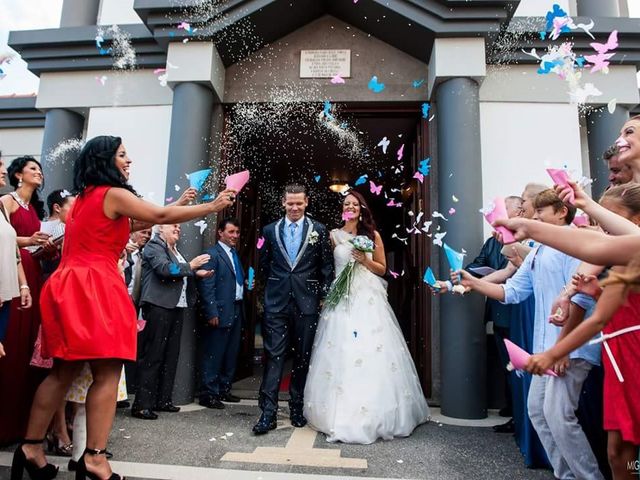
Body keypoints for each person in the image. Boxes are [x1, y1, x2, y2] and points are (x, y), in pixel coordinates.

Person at [11, 135, 235, 480]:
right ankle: (95, 459)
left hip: (68, 285)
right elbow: (158, 214)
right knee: (107, 372)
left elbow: (138, 222)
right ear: (105, 160)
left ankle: (31, 447)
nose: (128, 161)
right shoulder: (113, 193)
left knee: (62, 372)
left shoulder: (85, 199)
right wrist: (212, 207)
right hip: (94, 287)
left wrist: (177, 203)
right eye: (122, 155)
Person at [456, 189, 604, 480]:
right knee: (538, 412)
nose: (534, 218)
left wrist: (561, 348)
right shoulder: (537, 250)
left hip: (569, 349)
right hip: (544, 349)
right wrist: (474, 282)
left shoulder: (575, 245)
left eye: (540, 213)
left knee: (560, 418)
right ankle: (567, 475)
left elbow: (580, 300)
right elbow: (510, 292)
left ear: (562, 212)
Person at [304, 190, 429, 444]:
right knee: (340, 348)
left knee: (370, 348)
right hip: (341, 297)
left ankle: (373, 411)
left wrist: (363, 260)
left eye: (355, 204)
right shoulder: (333, 236)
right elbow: (327, 269)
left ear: (361, 209)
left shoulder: (372, 236)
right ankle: (336, 410)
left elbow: (382, 269)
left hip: (366, 296)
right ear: (343, 209)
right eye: (346, 203)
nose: (350, 206)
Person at [254, 184, 334, 435]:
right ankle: (267, 413)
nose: (295, 207)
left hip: (307, 303)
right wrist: (267, 295)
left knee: (302, 357)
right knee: (274, 356)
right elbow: (263, 266)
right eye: (290, 203)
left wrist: (321, 296)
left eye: (299, 203)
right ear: (283, 203)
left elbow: (326, 268)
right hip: (276, 303)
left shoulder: (319, 230)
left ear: (307, 202)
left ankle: (297, 406)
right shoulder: (269, 230)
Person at [131, 223, 212, 420]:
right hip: (158, 305)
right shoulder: (154, 246)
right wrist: (191, 266)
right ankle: (142, 404)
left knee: (170, 355)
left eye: (179, 226)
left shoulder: (174, 249)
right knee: (153, 355)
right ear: (161, 229)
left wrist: (195, 273)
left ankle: (163, 400)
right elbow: (165, 269)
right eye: (173, 225)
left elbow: (179, 270)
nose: (178, 228)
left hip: (176, 307)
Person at [0, 156, 53, 446]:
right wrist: (29, 241)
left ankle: (24, 424)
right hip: (13, 273)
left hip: (31, 273)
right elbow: (5, 239)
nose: (38, 173)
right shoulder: (7, 201)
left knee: (27, 349)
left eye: (40, 169)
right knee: (11, 344)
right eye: (33, 168)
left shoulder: (33, 209)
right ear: (18, 174)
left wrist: (44, 247)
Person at [197, 217, 245, 409]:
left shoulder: (234, 254)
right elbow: (206, 285)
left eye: (237, 232)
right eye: (231, 232)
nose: (235, 236)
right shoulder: (212, 254)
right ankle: (208, 394)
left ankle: (224, 389)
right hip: (220, 311)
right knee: (214, 354)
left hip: (236, 309)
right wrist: (211, 311)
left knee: (230, 353)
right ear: (220, 232)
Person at [0, 152, 32, 360]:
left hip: (5, 298)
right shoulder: (8, 201)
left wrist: (23, 285)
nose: (4, 170)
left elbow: (14, 252)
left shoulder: (0, 208)